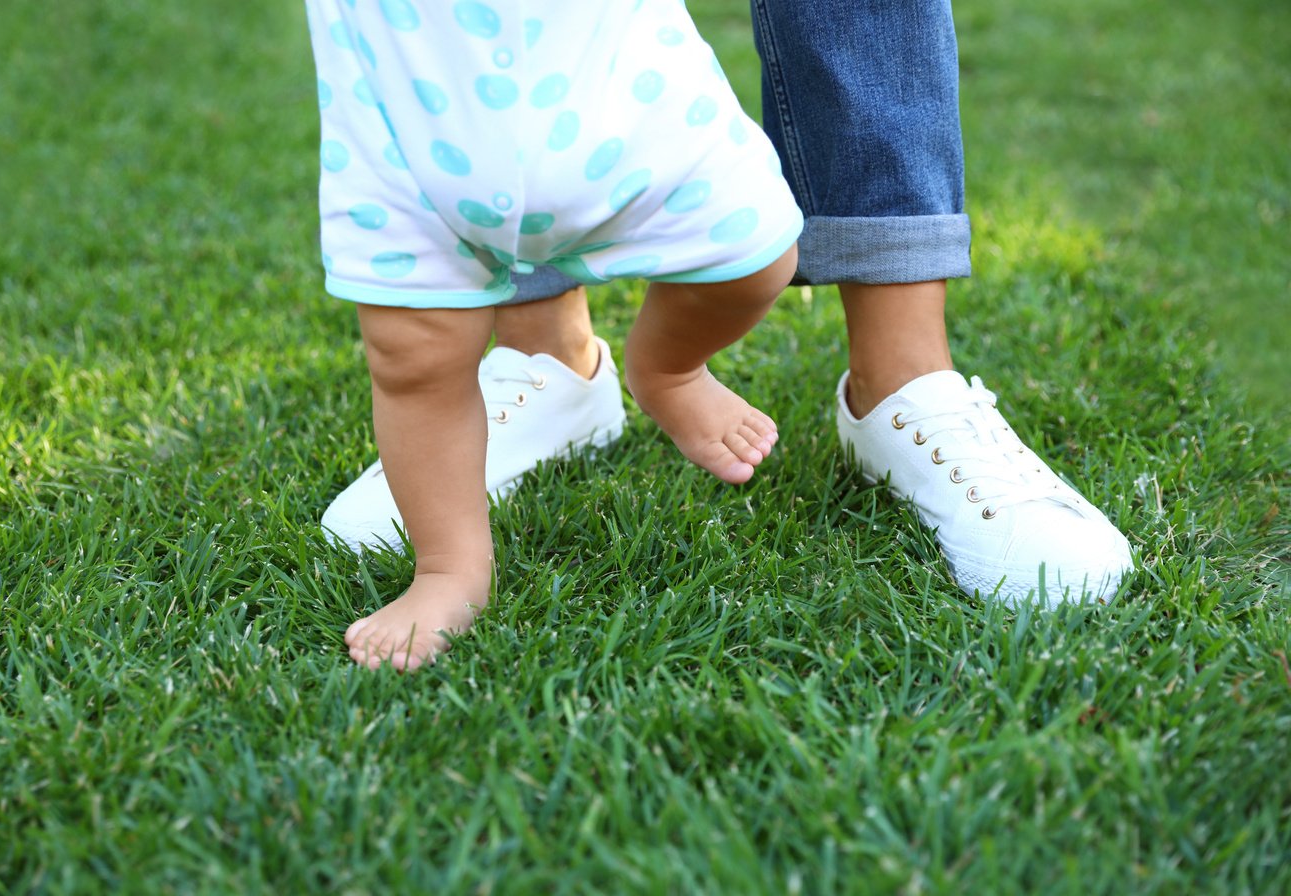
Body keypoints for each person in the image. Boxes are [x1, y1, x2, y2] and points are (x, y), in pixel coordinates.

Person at [323, 0, 1135, 617]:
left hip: (620, 85)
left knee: (753, 255)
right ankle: (505, 455)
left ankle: (888, 386)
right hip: (403, 121)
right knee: (413, 351)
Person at [306, 0, 804, 669]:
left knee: (757, 255)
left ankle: (668, 370)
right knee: (413, 360)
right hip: (410, 138)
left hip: (628, 100)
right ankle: (450, 569)